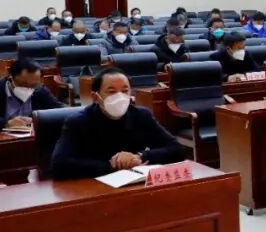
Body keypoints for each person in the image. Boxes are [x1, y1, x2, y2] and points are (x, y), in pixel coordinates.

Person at [51, 69, 185, 180]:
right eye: (112, 92)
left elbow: (177, 149)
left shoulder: (141, 116)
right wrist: (111, 165)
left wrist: (140, 156)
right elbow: (59, 164)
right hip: (94, 186)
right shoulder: (78, 122)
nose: (120, 97)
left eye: (125, 91)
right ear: (95, 97)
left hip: (134, 183)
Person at [0, 58, 63, 132]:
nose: (28, 89)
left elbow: (61, 112)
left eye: (33, 85)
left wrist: (39, 120)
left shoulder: (40, 90)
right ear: (11, 78)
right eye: (23, 84)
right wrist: (6, 123)